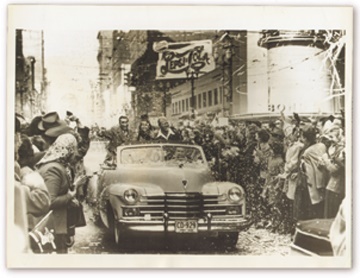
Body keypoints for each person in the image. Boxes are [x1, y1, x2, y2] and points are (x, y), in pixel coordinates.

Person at [36, 133, 88, 254]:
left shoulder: (58, 166)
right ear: (68, 149)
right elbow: (49, 201)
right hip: (53, 229)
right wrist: (70, 196)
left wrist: (75, 186)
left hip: (58, 228)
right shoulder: (53, 169)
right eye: (73, 148)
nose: (75, 152)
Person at [293, 125, 328, 221]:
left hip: (308, 184)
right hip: (320, 183)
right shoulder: (321, 146)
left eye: (301, 136)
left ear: (304, 137)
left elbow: (307, 168)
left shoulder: (307, 151)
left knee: (306, 210)